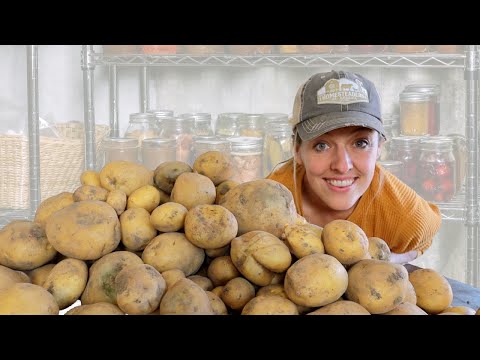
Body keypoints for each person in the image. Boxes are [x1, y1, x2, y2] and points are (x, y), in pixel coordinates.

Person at [266, 70, 441, 264]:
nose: (342, 166)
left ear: (379, 149)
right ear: (297, 150)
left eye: (360, 143)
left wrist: (390, 260)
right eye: (322, 145)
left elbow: (423, 241)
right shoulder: (268, 202)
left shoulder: (404, 213)